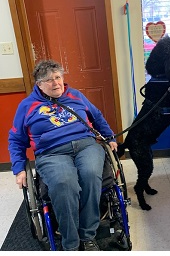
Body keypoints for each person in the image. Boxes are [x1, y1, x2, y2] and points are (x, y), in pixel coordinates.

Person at [8, 59, 118, 251]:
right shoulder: (27, 106)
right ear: (39, 84)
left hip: (86, 145)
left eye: (58, 77)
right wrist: (19, 168)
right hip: (51, 153)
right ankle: (71, 243)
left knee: (91, 176)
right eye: (49, 80)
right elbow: (16, 139)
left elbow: (97, 116)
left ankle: (87, 236)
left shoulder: (75, 95)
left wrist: (109, 137)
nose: (56, 83)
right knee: (64, 184)